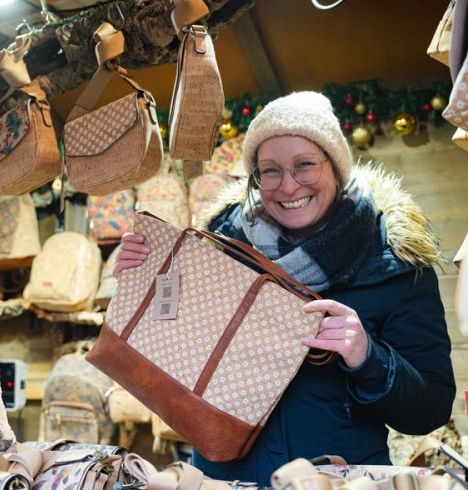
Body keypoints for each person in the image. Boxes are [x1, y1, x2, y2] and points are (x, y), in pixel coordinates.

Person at [114, 92, 456, 485]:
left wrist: (368, 357)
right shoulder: (221, 249)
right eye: (271, 171)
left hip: (335, 481)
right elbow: (170, 366)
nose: (289, 186)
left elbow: (430, 410)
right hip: (224, 480)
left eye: (305, 165)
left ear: (336, 167)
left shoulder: (393, 264)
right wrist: (142, 287)